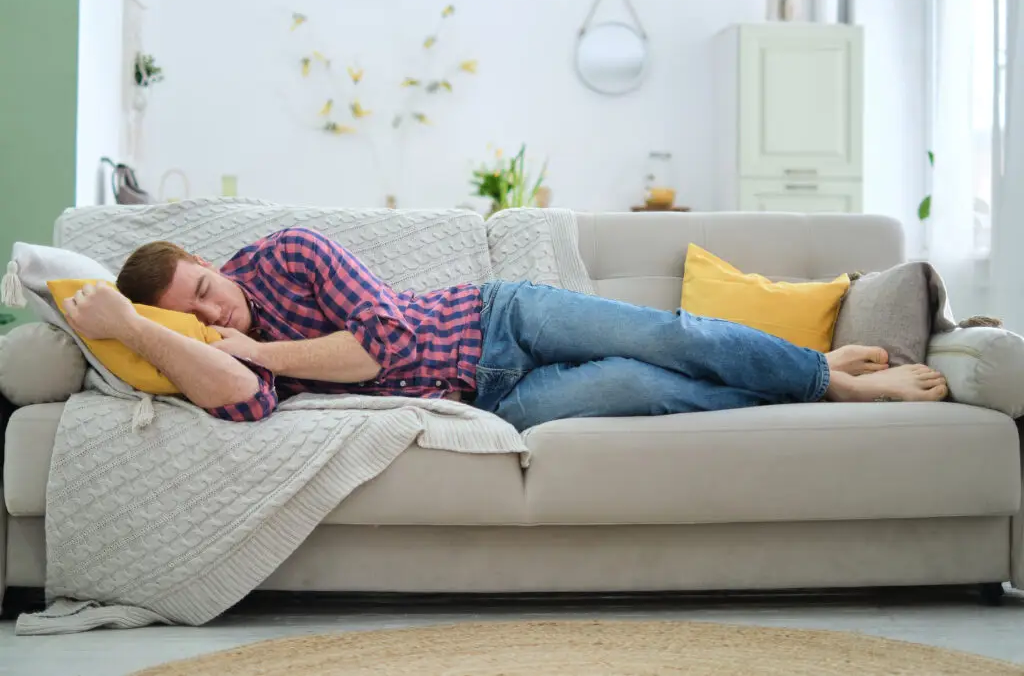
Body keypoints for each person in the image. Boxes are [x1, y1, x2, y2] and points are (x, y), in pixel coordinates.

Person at [61, 227, 949, 431]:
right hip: (496, 402)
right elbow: (247, 408)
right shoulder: (202, 343)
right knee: (652, 388)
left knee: (671, 337)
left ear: (218, 262)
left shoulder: (290, 254)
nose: (218, 314)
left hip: (499, 316)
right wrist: (140, 333)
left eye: (210, 288)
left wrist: (259, 349)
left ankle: (831, 376)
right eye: (197, 312)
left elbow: (379, 345)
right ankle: (804, 367)